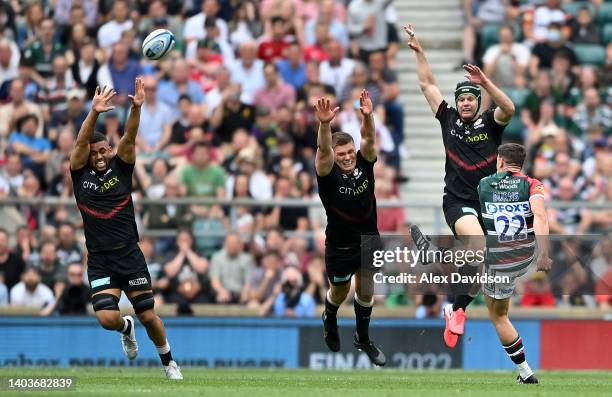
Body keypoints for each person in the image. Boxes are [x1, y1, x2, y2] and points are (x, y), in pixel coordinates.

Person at [404, 25, 515, 348]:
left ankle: (454, 307)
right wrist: (419, 51)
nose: (465, 103)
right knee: (477, 246)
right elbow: (427, 83)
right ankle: (445, 274)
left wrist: (486, 83)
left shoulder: (492, 124)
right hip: (457, 201)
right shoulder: (448, 119)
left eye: (470, 99)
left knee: (479, 269)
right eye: (462, 99)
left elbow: (509, 108)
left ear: (478, 103)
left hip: (488, 205)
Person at [69, 81, 182, 379]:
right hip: (100, 259)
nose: (100, 156)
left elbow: (130, 136)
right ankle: (124, 326)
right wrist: (93, 113)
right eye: (95, 153)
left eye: (104, 150)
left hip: (129, 254)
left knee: (148, 315)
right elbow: (80, 145)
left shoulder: (122, 167)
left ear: (110, 148)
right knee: (107, 318)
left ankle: (169, 363)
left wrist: (136, 107)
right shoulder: (80, 175)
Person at [315, 89, 386, 366]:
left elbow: (368, 137)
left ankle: (363, 338)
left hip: (369, 240)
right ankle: (329, 315)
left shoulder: (364, 161)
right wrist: (324, 124)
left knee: (366, 290)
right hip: (340, 246)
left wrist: (367, 117)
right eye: (340, 153)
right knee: (339, 293)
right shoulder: (327, 173)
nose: (346, 157)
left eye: (348, 152)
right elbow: (322, 151)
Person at [477, 143, 552, 384]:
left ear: (500, 160)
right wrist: (544, 253)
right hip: (524, 255)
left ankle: (526, 372)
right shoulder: (533, 184)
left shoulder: (484, 184)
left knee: (498, 316)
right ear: (522, 163)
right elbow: (540, 215)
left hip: (500, 259)